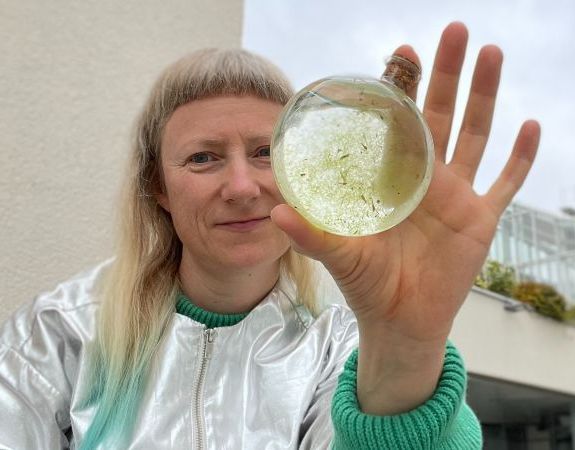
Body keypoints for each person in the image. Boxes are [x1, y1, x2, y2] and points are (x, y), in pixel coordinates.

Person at [0, 22, 540, 449]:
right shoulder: (55, 335)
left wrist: (402, 351)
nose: (241, 187)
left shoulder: (345, 347)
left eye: (264, 153)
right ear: (158, 188)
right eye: (203, 157)